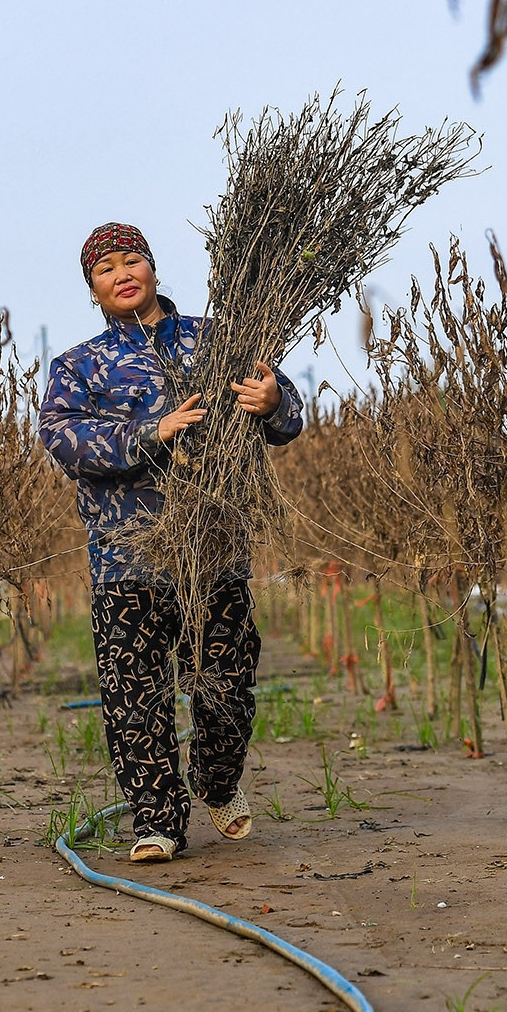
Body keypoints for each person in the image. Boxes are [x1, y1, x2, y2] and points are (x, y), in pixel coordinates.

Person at [38, 222, 304, 862]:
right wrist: (150, 431)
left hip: (216, 550)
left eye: (133, 260)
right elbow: (61, 440)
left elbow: (285, 416)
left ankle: (217, 781)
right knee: (134, 696)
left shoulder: (216, 338)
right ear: (94, 292)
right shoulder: (79, 366)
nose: (122, 274)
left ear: (154, 269)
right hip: (125, 556)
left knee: (227, 684)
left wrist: (272, 400)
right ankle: (156, 822)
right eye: (106, 270)